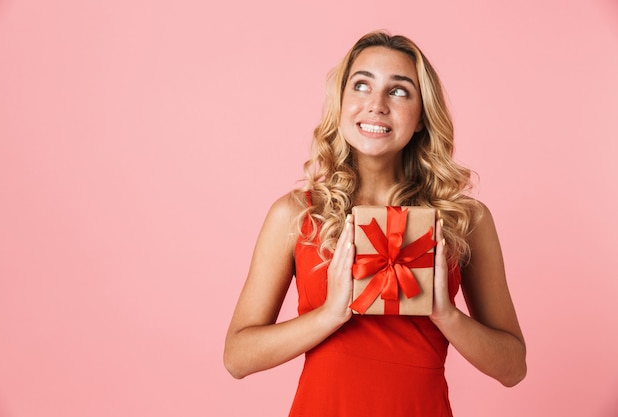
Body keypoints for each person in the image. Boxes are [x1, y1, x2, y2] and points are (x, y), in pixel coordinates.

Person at [224, 31, 526, 416]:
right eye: (361, 85)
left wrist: (444, 314)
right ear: (342, 102)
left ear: (420, 118)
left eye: (399, 91)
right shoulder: (295, 214)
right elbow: (237, 358)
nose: (376, 105)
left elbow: (513, 367)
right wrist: (331, 314)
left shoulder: (464, 220)